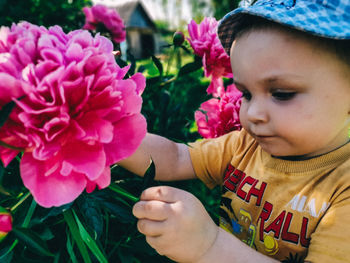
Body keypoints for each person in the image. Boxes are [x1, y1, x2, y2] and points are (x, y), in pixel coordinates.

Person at [118, 0, 350, 262]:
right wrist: (108, 135)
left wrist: (209, 245)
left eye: (282, 94)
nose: (251, 113)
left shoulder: (343, 188)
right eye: (247, 94)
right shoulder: (245, 145)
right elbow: (176, 157)